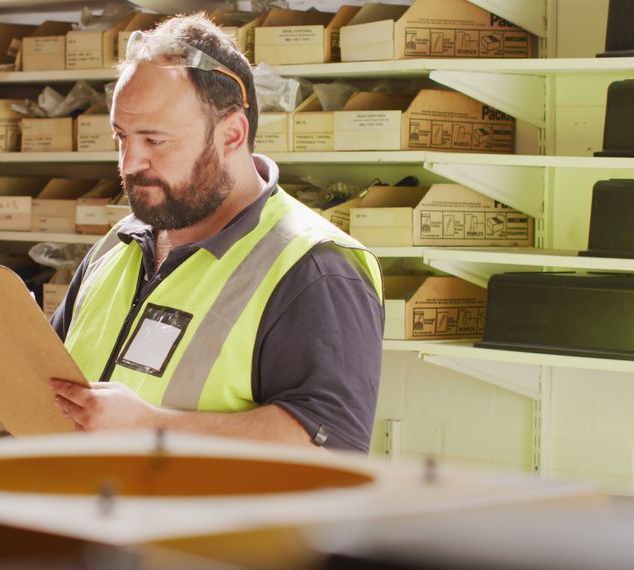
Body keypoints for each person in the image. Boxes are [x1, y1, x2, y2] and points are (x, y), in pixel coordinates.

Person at [48, 13, 384, 453]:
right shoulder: (118, 245)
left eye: (154, 140)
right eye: (121, 137)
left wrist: (151, 428)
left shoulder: (315, 268)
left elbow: (328, 447)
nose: (129, 163)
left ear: (231, 134)